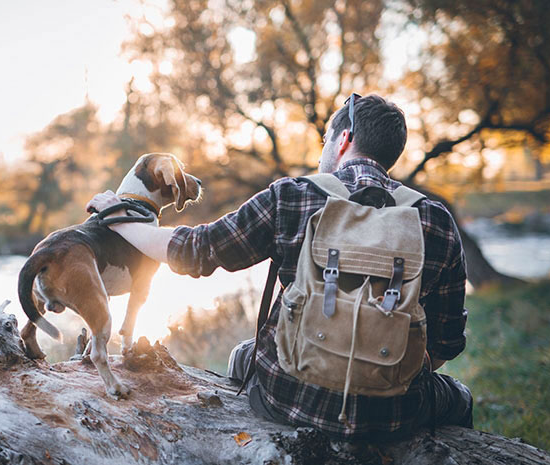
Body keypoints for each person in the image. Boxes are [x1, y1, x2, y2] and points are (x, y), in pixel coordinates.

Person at [86, 94, 472, 440]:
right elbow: (447, 343)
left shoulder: (292, 196)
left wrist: (118, 216)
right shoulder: (434, 219)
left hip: (286, 396)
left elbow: (194, 251)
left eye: (326, 142)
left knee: (243, 355)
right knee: (460, 396)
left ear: (344, 139)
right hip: (395, 414)